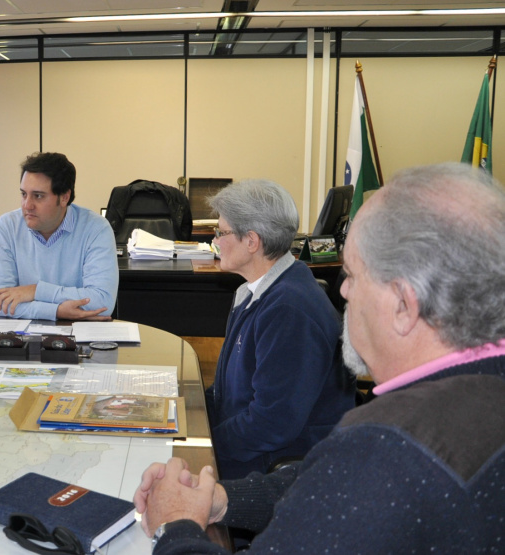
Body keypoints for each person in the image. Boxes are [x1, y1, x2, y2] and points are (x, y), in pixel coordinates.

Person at [134, 163, 505, 554]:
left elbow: (327, 463)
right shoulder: (469, 402)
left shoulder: (381, 450)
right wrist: (227, 499)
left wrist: (175, 525)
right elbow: (310, 477)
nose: (342, 291)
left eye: (353, 275)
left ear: (403, 304)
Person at [204, 179, 355, 480]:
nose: (216, 241)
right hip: (249, 447)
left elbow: (272, 423)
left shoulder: (288, 311)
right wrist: (184, 414)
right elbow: (228, 392)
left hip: (272, 467)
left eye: (221, 232)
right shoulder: (256, 291)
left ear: (252, 241)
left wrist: (203, 444)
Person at [0, 152, 118, 321]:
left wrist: (35, 291)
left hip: (79, 339)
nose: (27, 205)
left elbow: (102, 301)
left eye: (38, 196)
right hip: (22, 338)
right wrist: (57, 311)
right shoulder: (7, 227)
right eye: (24, 194)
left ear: (64, 197)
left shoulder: (96, 229)